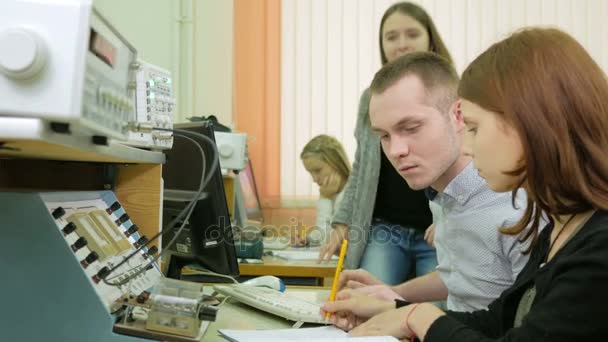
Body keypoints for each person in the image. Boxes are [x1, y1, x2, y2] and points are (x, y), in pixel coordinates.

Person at [322, 28, 608, 341]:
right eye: (384, 137)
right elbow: (500, 317)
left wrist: (416, 315)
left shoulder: (592, 245)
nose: (468, 148)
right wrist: (398, 307)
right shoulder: (558, 231)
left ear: (531, 123)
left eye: (473, 127)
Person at [318, 1, 453, 286]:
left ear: (430, 38)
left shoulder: (453, 91)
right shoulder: (372, 98)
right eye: (391, 37)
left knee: (440, 313)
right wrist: (342, 221)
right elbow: (362, 165)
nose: (401, 44)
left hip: (438, 230)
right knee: (361, 300)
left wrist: (451, 219)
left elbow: (471, 165)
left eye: (411, 34)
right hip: (386, 230)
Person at [298, 135, 351, 246]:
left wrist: (324, 199)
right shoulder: (332, 192)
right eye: (310, 173)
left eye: (318, 170)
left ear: (335, 163)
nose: (314, 179)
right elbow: (322, 234)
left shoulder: (350, 194)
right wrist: (308, 239)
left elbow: (329, 241)